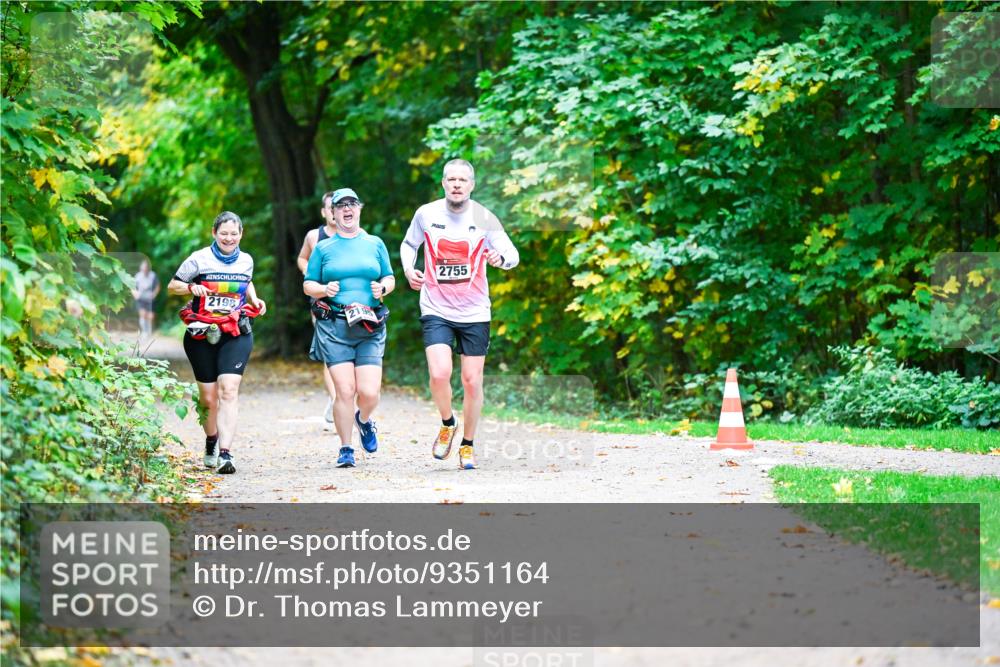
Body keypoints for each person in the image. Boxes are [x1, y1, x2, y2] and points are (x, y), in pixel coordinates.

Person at [400, 159, 519, 470]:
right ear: (443, 183)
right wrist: (408, 269)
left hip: (475, 310)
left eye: (462, 180)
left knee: (471, 381)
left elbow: (513, 256)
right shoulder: (426, 213)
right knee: (439, 374)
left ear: (471, 185)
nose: (456, 184)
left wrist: (499, 258)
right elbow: (408, 244)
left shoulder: (484, 217)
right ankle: (447, 421)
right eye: (451, 179)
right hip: (436, 306)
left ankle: (467, 444)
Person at [167, 211, 266, 475]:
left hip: (235, 331)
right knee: (208, 399)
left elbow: (246, 282)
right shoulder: (198, 259)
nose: (229, 238)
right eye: (224, 233)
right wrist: (190, 288)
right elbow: (172, 285)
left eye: (234, 234)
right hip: (202, 334)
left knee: (229, 390)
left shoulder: (246, 260)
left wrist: (254, 300)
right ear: (214, 233)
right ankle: (211, 440)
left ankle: (225, 453)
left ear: (241, 234)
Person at [303, 188, 395, 468]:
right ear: (332, 213)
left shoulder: (374, 243)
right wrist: (323, 289)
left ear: (359, 209)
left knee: (369, 393)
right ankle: (346, 448)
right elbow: (308, 284)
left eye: (352, 204)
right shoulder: (323, 248)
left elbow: (389, 277)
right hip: (335, 326)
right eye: (340, 205)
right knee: (344, 390)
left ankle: (363, 420)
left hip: (369, 324)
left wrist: (383, 288)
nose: (347, 209)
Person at [297, 192, 340, 429]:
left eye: (339, 206)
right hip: (322, 302)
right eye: (330, 207)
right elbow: (302, 258)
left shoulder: (356, 235)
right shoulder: (315, 236)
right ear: (324, 212)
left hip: (352, 301)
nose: (335, 211)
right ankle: (337, 402)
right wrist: (308, 272)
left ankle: (341, 399)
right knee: (330, 353)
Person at [132, 259, 160, 338]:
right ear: (141, 269)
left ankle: (149, 330)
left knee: (150, 316)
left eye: (145, 269)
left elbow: (157, 286)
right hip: (141, 298)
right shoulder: (137, 276)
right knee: (143, 314)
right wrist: (135, 294)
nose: (144, 271)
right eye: (142, 269)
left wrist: (154, 294)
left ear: (148, 269)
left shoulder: (153, 275)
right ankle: (144, 332)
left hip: (150, 298)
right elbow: (132, 286)